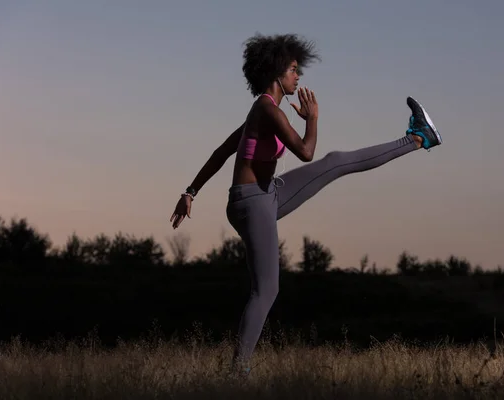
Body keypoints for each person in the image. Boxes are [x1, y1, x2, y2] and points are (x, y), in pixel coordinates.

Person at [169, 33, 442, 375]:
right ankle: (237, 374)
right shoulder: (267, 110)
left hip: (266, 195)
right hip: (252, 204)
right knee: (267, 289)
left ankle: (418, 137)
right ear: (276, 72)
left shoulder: (266, 111)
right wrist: (313, 118)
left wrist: (191, 191)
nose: (298, 77)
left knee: (336, 161)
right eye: (294, 70)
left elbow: (222, 152)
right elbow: (304, 151)